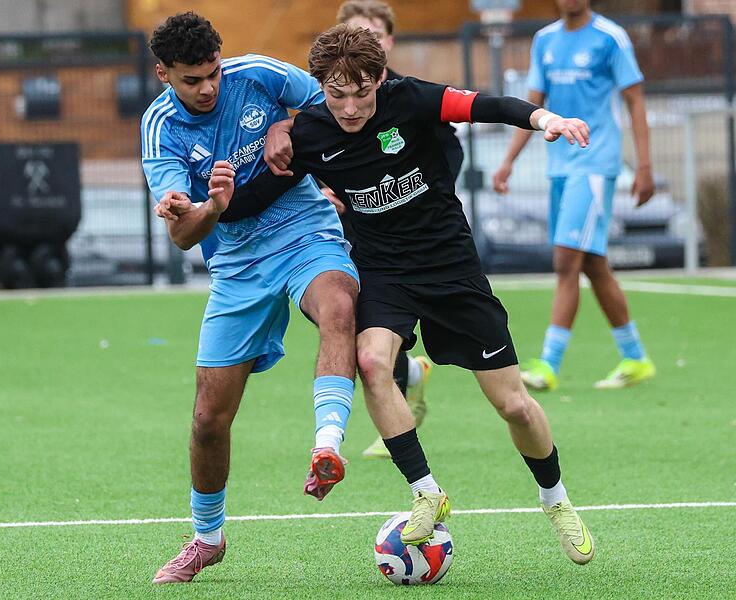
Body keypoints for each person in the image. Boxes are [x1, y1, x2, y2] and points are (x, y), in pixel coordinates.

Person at [227, 24, 596, 564]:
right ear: (320, 87)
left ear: (380, 78)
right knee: (372, 361)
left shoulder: (412, 99)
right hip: (383, 271)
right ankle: (426, 492)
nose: (349, 107)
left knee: (513, 404)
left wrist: (546, 119)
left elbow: (486, 105)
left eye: (361, 92)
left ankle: (555, 499)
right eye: (336, 94)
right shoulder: (309, 134)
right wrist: (207, 206)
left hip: (451, 268)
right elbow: (257, 196)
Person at [141, 13, 360, 584]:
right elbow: (183, 235)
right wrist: (209, 207)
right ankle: (207, 537)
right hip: (236, 264)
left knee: (339, 306)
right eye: (192, 80)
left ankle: (326, 446)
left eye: (212, 72)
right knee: (209, 418)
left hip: (304, 229)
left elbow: (335, 106)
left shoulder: (258, 74)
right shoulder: (160, 128)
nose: (208, 87)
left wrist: (285, 125)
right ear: (163, 74)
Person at [492, 0, 656, 391]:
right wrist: (508, 161)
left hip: (595, 165)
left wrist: (645, 167)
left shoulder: (610, 38)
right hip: (560, 167)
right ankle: (635, 356)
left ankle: (548, 365)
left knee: (566, 259)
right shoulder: (544, 40)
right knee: (592, 263)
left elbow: (635, 100)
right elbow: (531, 107)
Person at [336, 0, 461, 460]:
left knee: (367, 339)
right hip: (350, 233)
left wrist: (421, 199)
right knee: (342, 326)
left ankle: (400, 413)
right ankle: (406, 377)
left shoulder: (412, 98)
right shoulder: (331, 100)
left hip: (412, 243)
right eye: (355, 34)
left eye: (373, 34)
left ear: (388, 42)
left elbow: (450, 157)